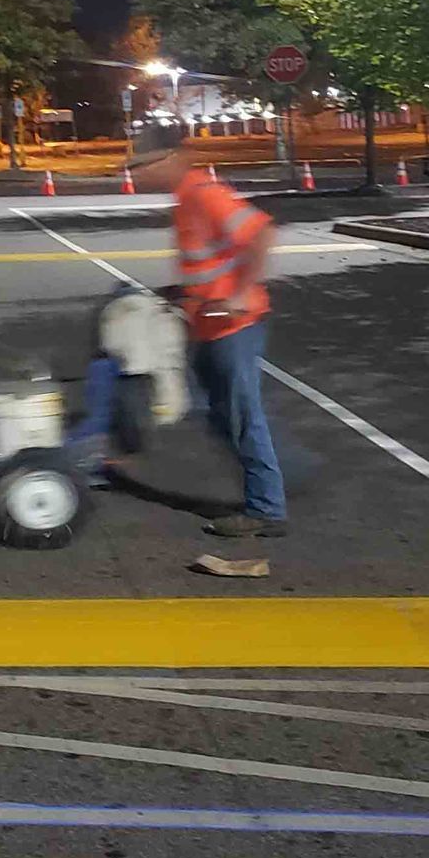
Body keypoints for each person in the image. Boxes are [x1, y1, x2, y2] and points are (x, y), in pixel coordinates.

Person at [129, 138, 287, 578]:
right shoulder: (184, 200)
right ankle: (275, 477)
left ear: (173, 158)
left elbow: (262, 233)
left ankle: (267, 507)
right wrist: (182, 293)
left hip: (234, 328)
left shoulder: (203, 194)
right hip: (209, 328)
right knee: (218, 412)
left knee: (241, 415)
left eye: (143, 165)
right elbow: (211, 261)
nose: (137, 174)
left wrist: (239, 295)